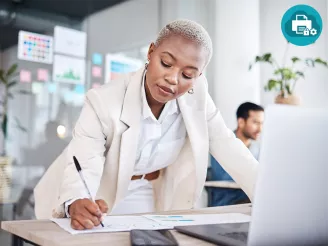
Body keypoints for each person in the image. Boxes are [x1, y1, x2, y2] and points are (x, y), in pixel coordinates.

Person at [34, 19, 259, 230]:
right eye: (166, 63)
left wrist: (267, 196)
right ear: (151, 52)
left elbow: (228, 146)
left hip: (149, 191)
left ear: (198, 76)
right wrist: (77, 199)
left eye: (187, 74)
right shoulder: (104, 100)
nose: (173, 78)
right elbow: (86, 157)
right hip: (98, 191)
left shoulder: (197, 96)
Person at [208, 102, 264, 206]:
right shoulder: (222, 143)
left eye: (262, 123)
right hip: (225, 204)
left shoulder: (258, 149)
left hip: (250, 205)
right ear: (241, 122)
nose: (260, 129)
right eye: (255, 123)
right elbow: (224, 178)